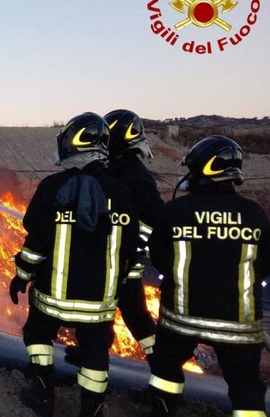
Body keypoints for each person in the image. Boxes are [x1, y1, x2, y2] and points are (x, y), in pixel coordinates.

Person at [9, 112, 139, 417]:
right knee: (95, 354)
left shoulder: (52, 188)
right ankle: (91, 411)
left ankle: (43, 396)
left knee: (37, 335)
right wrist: (122, 288)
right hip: (98, 305)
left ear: (71, 143)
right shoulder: (121, 193)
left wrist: (21, 276)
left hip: (51, 299)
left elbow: (36, 244)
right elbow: (131, 249)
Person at [146, 136, 270, 416]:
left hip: (182, 320)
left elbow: (158, 258)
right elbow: (268, 265)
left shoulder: (176, 211)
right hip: (238, 327)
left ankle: (163, 410)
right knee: (246, 389)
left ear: (202, 170)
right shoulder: (255, 215)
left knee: (165, 374)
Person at [64, 109, 162, 367]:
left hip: (125, 261)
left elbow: (154, 219)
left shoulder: (135, 175)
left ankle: (162, 364)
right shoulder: (117, 169)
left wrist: (132, 246)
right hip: (109, 256)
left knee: (135, 315)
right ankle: (90, 351)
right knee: (98, 310)